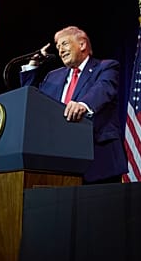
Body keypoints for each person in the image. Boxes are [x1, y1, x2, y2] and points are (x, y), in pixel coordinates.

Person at [20, 25, 128, 184]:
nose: (60, 50)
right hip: (59, 160)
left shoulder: (105, 67)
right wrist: (33, 65)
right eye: (57, 47)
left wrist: (83, 104)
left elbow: (104, 89)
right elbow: (31, 100)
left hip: (98, 160)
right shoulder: (53, 76)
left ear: (82, 44)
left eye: (64, 44)